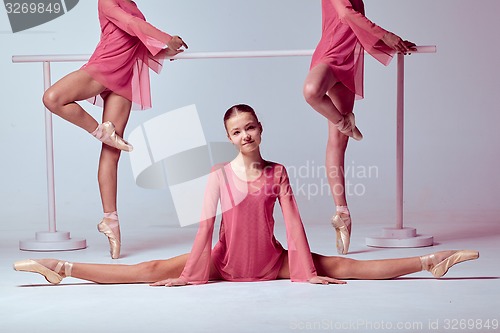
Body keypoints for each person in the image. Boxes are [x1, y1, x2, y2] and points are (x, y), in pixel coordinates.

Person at [13, 105, 479, 286]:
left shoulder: (277, 172)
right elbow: (205, 229)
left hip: (271, 260)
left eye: (250, 127)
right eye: (236, 132)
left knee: (346, 268)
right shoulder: (217, 175)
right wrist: (193, 273)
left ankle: (431, 262)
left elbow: (294, 224)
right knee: (151, 270)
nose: (245, 136)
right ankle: (62, 268)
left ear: (260, 128)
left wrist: (302, 269)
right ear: (230, 138)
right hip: (224, 260)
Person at [41, 0, 188, 259]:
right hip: (104, 67)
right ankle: (100, 130)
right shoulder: (106, 1)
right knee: (53, 97)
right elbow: (133, 25)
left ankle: (111, 222)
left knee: (111, 153)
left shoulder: (131, 4)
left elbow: (137, 43)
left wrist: (167, 50)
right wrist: (168, 38)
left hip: (124, 78)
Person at [302, 0, 417, 255]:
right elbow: (345, 14)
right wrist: (385, 35)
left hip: (350, 58)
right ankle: (345, 122)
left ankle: (342, 213)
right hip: (330, 53)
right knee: (312, 91)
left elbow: (356, 26)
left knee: (337, 143)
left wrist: (391, 43)